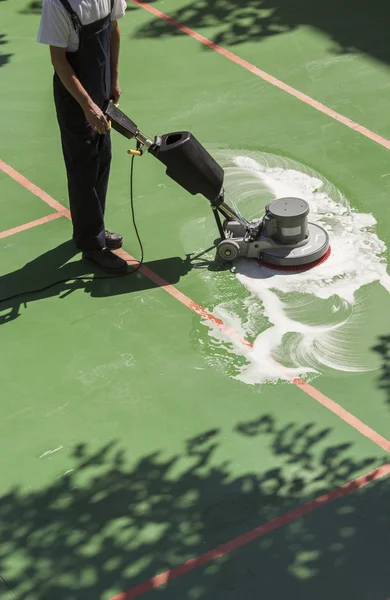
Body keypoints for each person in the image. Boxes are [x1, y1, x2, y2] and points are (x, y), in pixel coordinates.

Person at [37, 0, 129, 273]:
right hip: (75, 97)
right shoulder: (58, 4)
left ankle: (93, 229)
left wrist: (113, 80)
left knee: (102, 158)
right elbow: (59, 60)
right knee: (83, 167)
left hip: (100, 85)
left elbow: (113, 30)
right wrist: (87, 106)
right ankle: (91, 246)